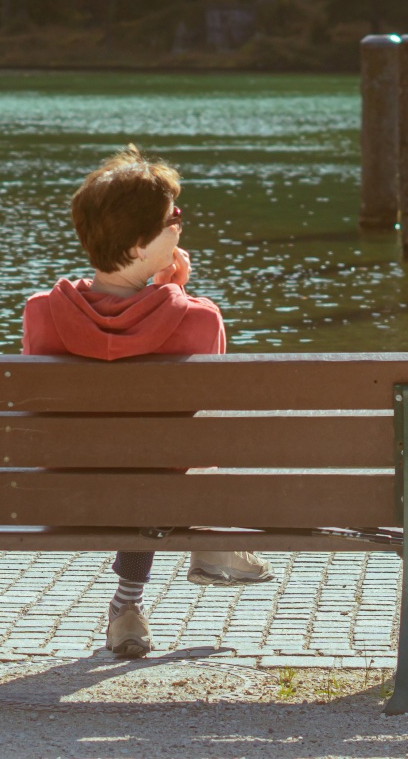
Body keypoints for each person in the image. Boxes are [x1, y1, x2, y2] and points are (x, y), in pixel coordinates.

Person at [21, 144, 273, 659]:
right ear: (139, 246)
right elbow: (208, 434)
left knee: (136, 457)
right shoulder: (200, 319)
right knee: (161, 463)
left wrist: (166, 294)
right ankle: (206, 544)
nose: (180, 226)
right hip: (165, 499)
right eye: (171, 219)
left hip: (63, 497)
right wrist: (177, 296)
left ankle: (129, 604)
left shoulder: (41, 313)